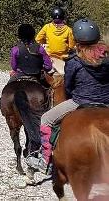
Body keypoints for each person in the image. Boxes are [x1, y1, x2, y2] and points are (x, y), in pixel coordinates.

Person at [26, 18, 108, 173]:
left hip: (80, 102)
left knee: (46, 119)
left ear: (76, 40)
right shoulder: (107, 58)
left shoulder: (74, 61)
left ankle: (45, 161)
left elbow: (69, 86)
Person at [36, 7, 76, 75]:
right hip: (63, 59)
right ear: (63, 17)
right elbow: (71, 46)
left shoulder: (47, 27)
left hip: (49, 58)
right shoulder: (68, 30)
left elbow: (37, 40)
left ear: (52, 17)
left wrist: (45, 44)